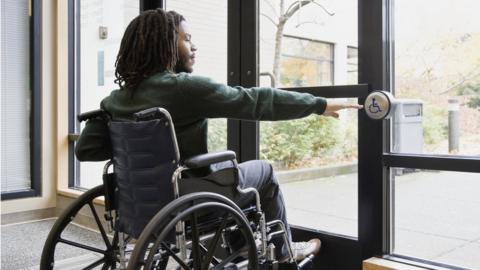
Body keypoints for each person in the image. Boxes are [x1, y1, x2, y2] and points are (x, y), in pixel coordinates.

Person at [75, 9, 363, 262]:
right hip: (190, 199)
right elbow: (255, 101)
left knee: (231, 177)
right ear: (164, 44)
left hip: (140, 203)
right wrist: (319, 104)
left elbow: (86, 151)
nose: (194, 46)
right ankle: (284, 252)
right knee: (263, 171)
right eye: (186, 38)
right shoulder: (183, 89)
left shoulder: (115, 100)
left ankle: (242, 247)